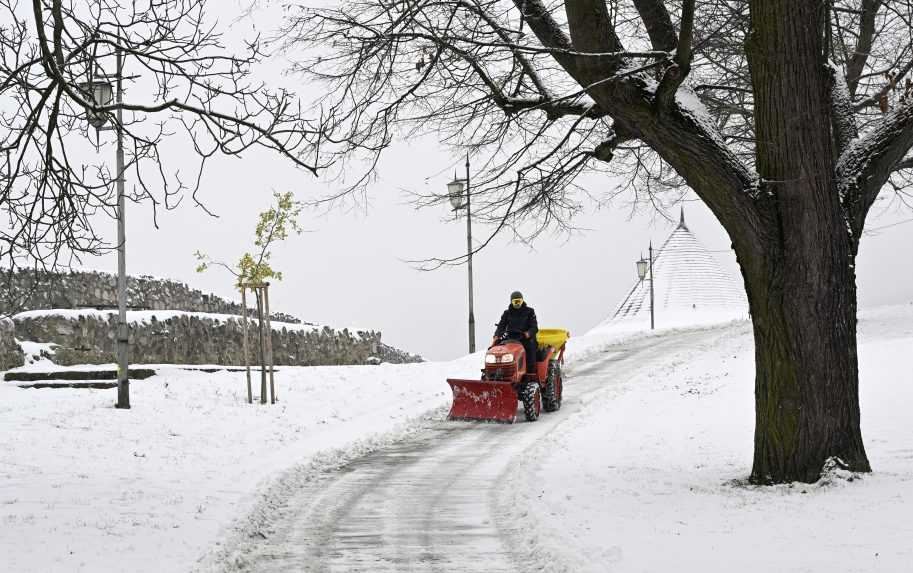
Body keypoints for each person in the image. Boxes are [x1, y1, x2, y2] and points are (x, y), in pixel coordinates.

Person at [492, 290, 539, 378]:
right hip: (511, 339)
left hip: (525, 338)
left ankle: (530, 375)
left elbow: (534, 327)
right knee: (496, 349)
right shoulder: (507, 313)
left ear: (522, 301)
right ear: (511, 302)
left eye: (519, 301)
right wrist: (496, 336)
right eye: (515, 301)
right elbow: (501, 326)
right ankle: (495, 373)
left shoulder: (529, 312)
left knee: (529, 349)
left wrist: (528, 333)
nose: (517, 304)